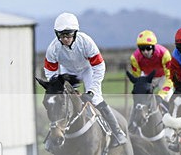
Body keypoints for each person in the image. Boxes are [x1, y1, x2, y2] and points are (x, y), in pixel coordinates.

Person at [43, 12, 128, 147]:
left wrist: (92, 90)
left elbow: (99, 66)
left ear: (75, 32)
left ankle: (117, 132)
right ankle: (52, 136)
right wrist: (57, 87)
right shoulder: (53, 48)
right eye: (61, 35)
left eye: (69, 34)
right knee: (61, 102)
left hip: (88, 70)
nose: (65, 38)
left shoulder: (86, 42)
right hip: (68, 73)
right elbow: (50, 72)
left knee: (95, 99)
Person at [129, 30, 174, 108]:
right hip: (147, 77)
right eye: (142, 49)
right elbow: (138, 79)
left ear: (154, 46)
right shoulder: (134, 58)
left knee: (167, 97)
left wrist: (161, 96)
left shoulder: (164, 54)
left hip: (163, 77)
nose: (145, 52)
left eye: (148, 48)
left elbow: (170, 77)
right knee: (140, 99)